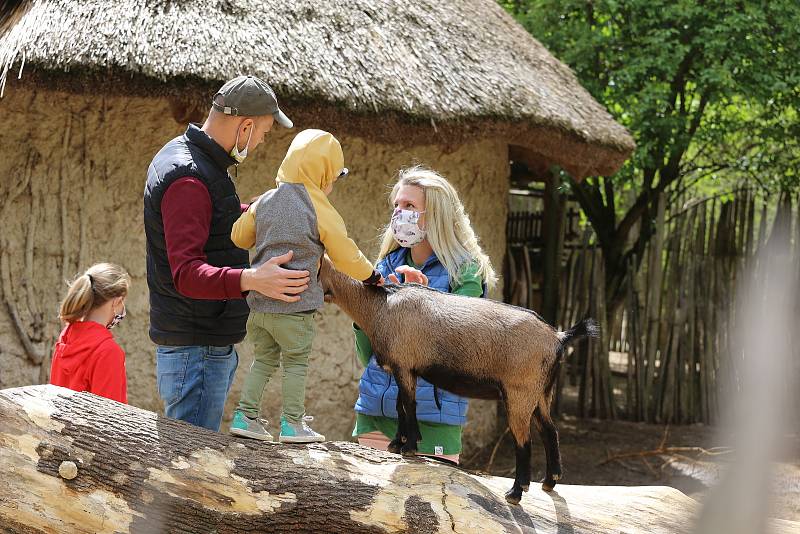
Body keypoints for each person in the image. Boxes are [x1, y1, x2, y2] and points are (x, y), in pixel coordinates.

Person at [144, 75, 310, 432]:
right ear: (246, 126)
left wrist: (265, 210)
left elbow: (214, 223)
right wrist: (253, 279)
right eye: (264, 132)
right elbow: (187, 272)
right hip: (197, 348)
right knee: (190, 469)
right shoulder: (189, 177)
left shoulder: (193, 161)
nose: (263, 142)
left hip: (200, 345)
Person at [228, 129, 383, 443]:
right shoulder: (318, 208)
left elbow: (238, 236)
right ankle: (292, 424)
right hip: (295, 307)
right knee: (296, 363)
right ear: (323, 172)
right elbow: (344, 252)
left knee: (264, 360)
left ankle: (245, 417)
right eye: (332, 178)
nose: (331, 185)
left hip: (259, 306)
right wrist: (370, 276)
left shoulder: (266, 201)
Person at [352, 166, 497, 463]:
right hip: (377, 415)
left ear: (436, 215)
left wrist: (422, 304)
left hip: (435, 420)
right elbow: (369, 354)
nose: (398, 214)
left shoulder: (466, 272)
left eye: (409, 206)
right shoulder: (384, 268)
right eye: (396, 205)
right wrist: (365, 313)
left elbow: (458, 354)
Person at [50, 263, 130, 403]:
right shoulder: (109, 352)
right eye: (122, 302)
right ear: (116, 300)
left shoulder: (66, 336)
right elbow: (111, 417)